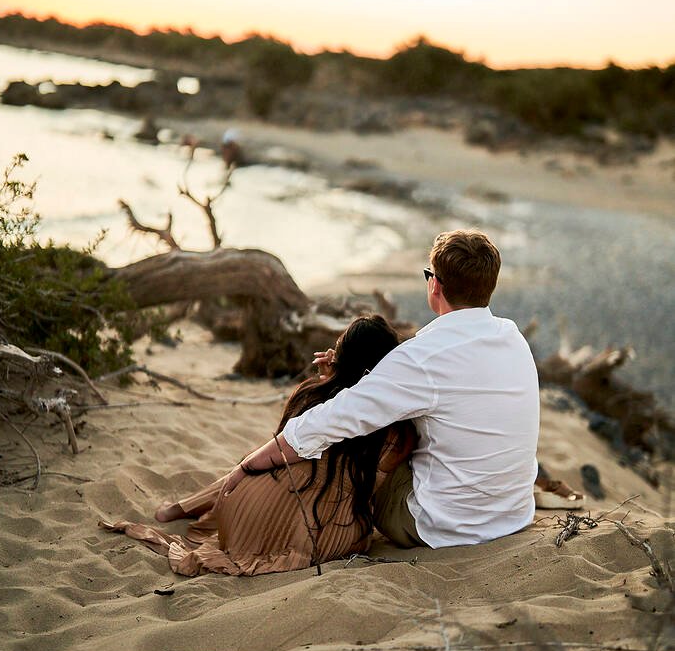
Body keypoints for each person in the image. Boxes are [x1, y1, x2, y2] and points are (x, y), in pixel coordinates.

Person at [220, 230, 547, 549]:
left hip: (442, 527)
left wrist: (246, 466)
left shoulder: (421, 357)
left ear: (435, 285)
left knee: (361, 435)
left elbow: (333, 420)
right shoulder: (512, 337)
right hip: (513, 514)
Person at [99, 315, 416, 576]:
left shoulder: (311, 395)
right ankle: (189, 506)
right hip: (317, 532)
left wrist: (326, 382)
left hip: (243, 507)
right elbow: (372, 489)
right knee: (348, 518)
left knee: (261, 459)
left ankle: (183, 507)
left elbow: (283, 448)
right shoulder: (397, 433)